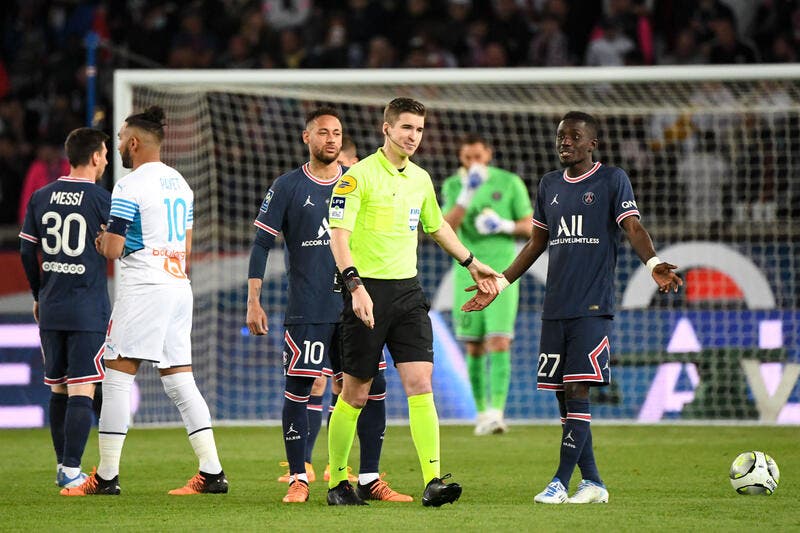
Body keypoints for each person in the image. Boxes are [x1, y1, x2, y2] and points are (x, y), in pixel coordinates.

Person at [462, 111, 682, 505]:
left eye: (574, 136)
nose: (565, 142)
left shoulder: (612, 179)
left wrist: (653, 264)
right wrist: (500, 282)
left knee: (578, 389)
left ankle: (560, 482)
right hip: (555, 308)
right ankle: (594, 483)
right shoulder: (549, 185)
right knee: (565, 398)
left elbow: (632, 226)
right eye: (561, 136)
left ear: (591, 143)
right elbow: (535, 244)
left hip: (592, 307)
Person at [326, 97, 500, 506]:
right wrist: (354, 287)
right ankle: (337, 483)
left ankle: (433, 480)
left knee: (421, 384)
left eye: (419, 130)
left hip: (408, 293)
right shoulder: (356, 177)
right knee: (355, 393)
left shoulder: (420, 179)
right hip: (366, 291)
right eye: (406, 127)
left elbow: (437, 227)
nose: (413, 136)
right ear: (385, 128)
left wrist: (472, 264)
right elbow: (339, 236)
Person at [247, 108, 410, 504]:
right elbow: (261, 244)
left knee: (373, 388)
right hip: (309, 307)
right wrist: (253, 300)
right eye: (323, 133)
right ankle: (299, 478)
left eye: (337, 133)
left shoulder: (358, 183)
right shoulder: (287, 186)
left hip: (356, 306)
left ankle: (369, 478)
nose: (332, 139)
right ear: (307, 138)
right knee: (299, 388)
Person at [62, 106, 228, 496]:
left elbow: (114, 247)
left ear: (133, 143)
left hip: (145, 287)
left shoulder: (128, 185)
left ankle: (105, 477)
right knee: (180, 380)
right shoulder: (180, 183)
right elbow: (185, 246)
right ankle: (213, 472)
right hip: (177, 284)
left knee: (117, 376)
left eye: (120, 138)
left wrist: (105, 242)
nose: (118, 145)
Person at [19, 127, 111, 489]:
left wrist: (38, 294)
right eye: (103, 154)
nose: (105, 159)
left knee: (58, 389)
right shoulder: (102, 200)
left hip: (52, 306)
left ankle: (62, 466)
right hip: (86, 307)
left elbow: (27, 250)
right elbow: (124, 244)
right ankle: (73, 470)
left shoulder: (42, 196)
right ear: (93, 157)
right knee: (82, 389)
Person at [441, 133, 532, 435]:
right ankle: (480, 413)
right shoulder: (453, 185)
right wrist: (466, 194)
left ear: (488, 154)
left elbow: (531, 225)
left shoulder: (509, 183)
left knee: (499, 340)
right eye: (467, 158)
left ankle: (496, 413)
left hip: (502, 275)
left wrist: (504, 225)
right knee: (474, 346)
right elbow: (444, 228)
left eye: (478, 157)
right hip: (466, 273)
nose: (473, 163)